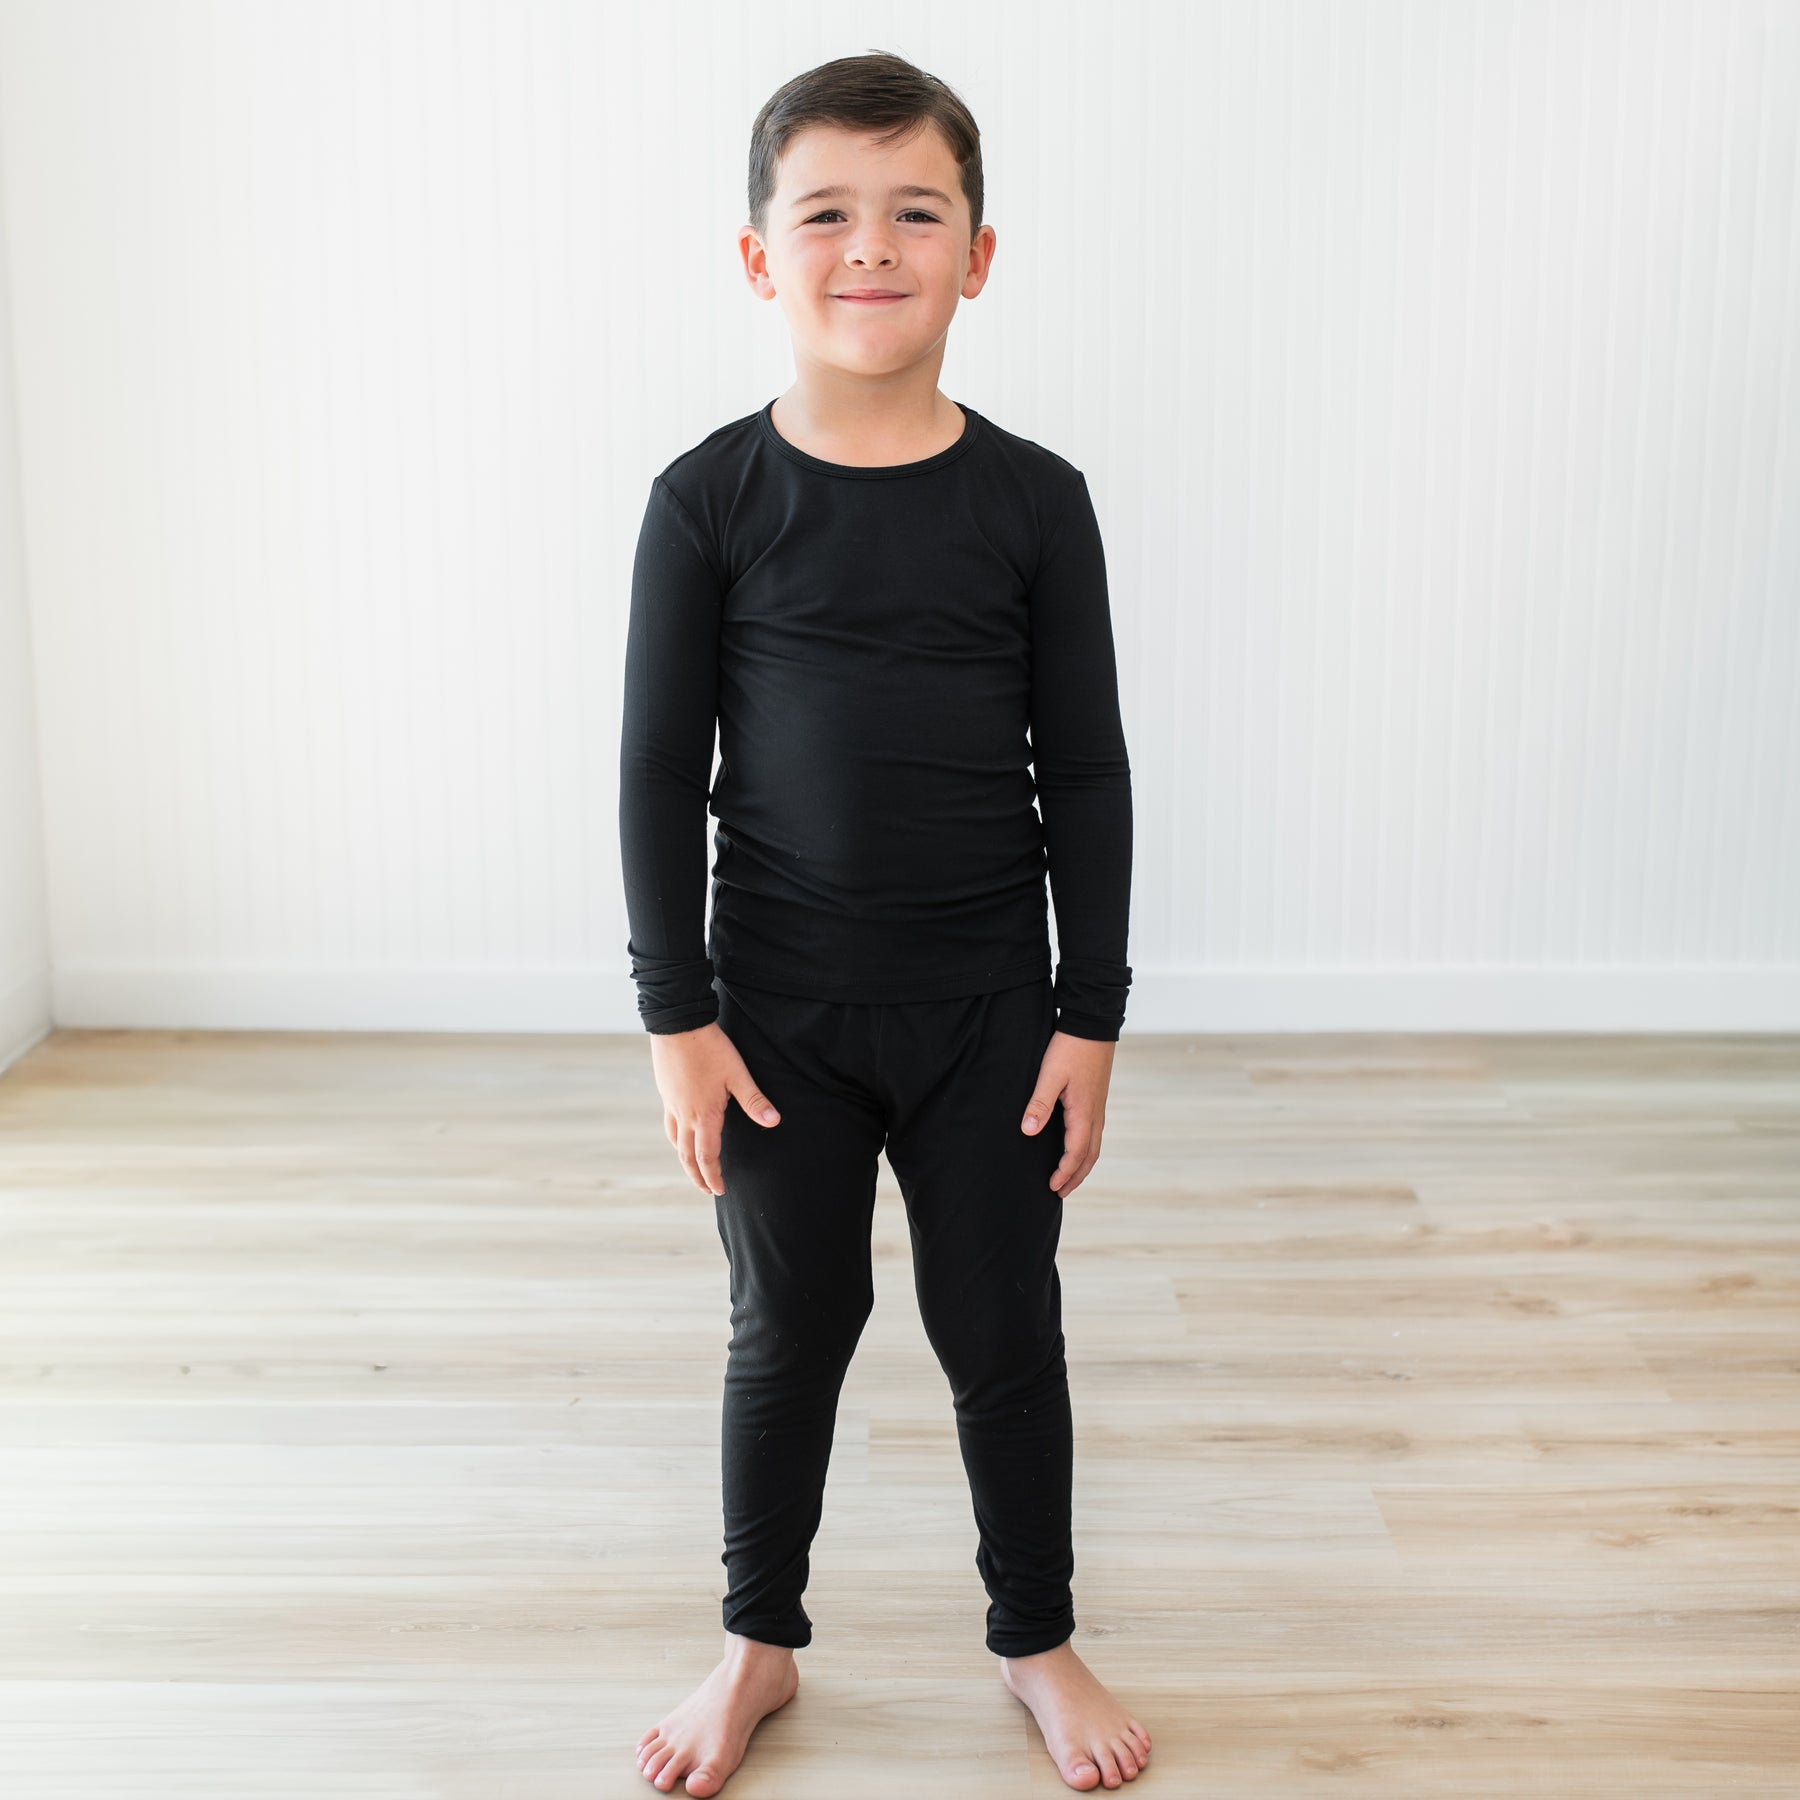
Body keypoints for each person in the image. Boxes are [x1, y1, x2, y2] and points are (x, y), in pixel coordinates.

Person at [619, 49, 1148, 1798]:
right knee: (793, 1325)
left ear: (978, 255)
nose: (871, 245)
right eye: (825, 212)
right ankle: (756, 1639)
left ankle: (1037, 1636)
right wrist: (678, 1020)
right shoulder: (708, 502)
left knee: (1004, 1328)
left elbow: (1085, 769)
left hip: (992, 1008)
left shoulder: (1034, 501)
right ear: (760, 259)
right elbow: (651, 777)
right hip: (774, 1016)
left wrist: (1091, 1016)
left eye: (915, 211)